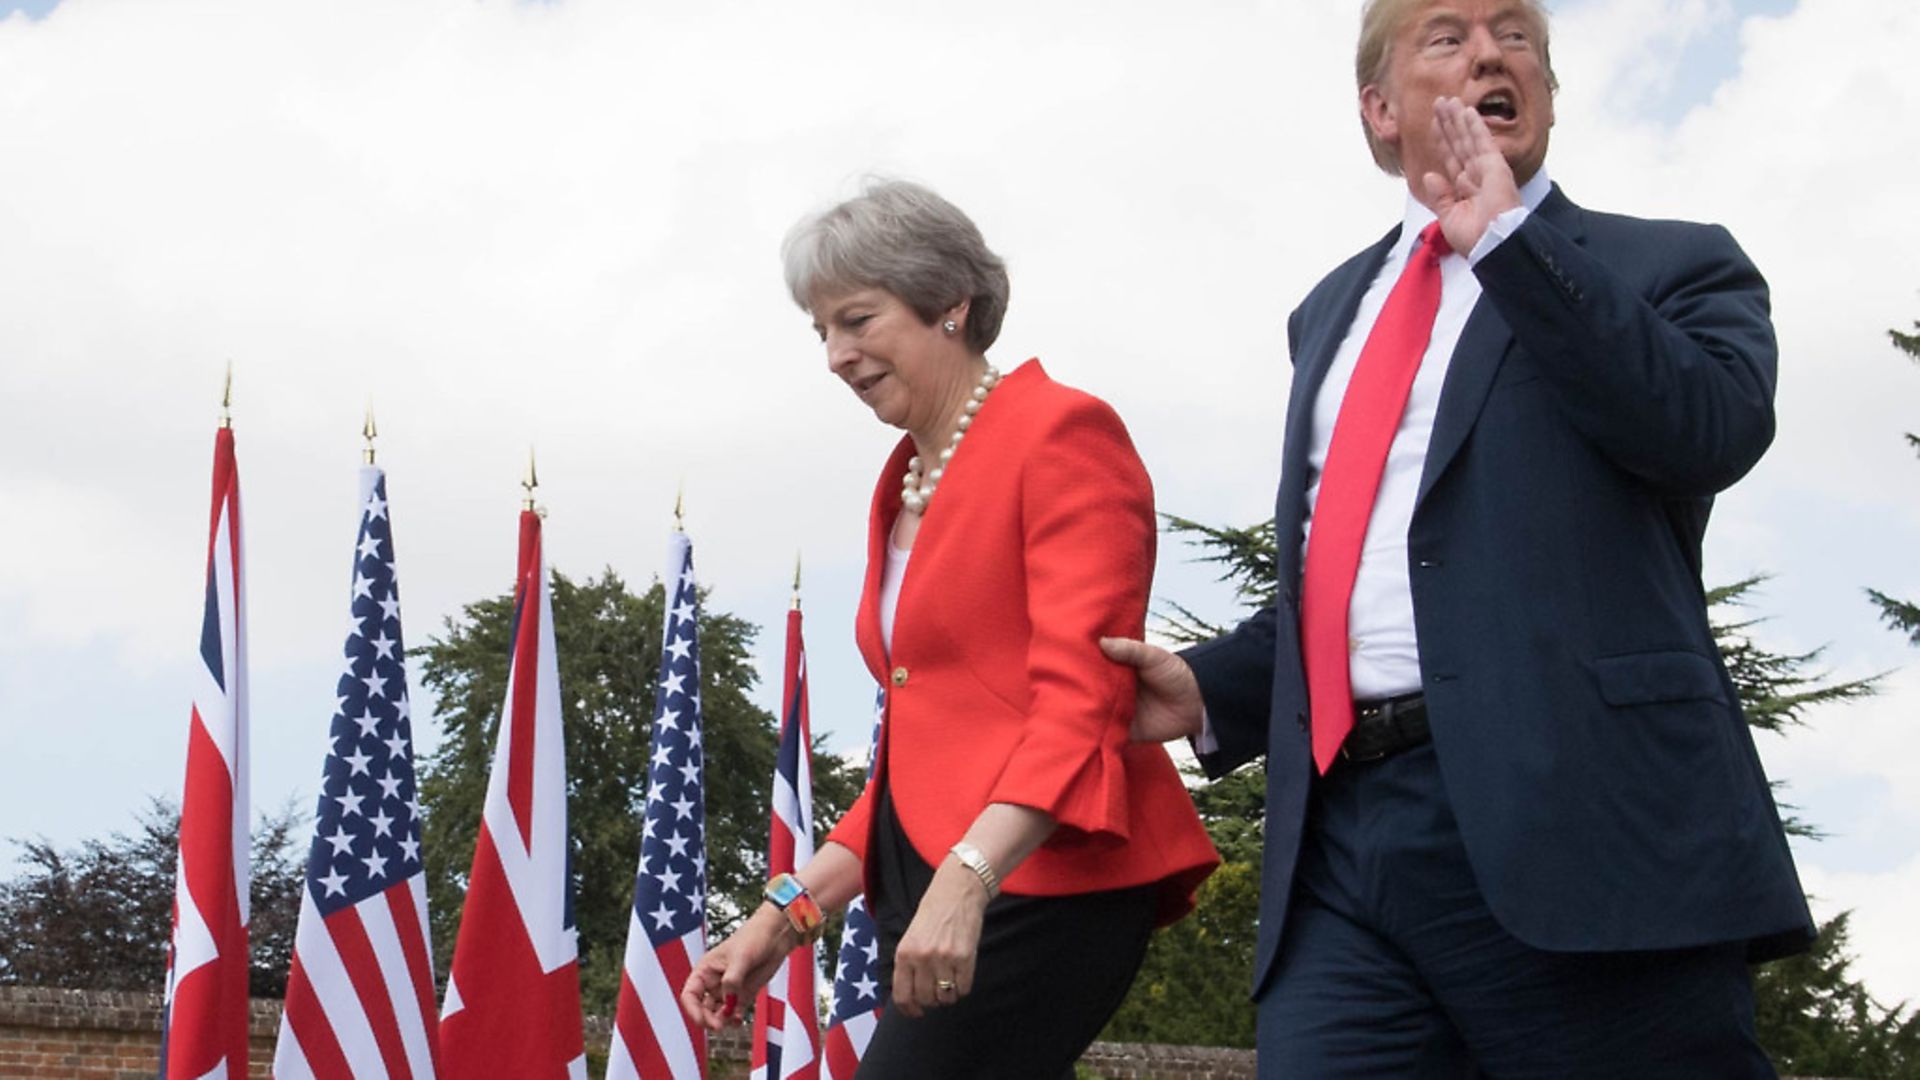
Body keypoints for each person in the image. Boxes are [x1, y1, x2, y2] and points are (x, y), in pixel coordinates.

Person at [1101, 1, 1814, 1075]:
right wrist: (1213, 689)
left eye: (1515, 34)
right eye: (1447, 35)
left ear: (1548, 95)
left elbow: (1703, 433)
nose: (1489, 51)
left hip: (1583, 825)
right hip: (1343, 852)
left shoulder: (1674, 266)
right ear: (1379, 110)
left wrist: (1513, 246)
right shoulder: (1330, 311)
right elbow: (1364, 559)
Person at [679, 179, 1217, 1078]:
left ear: (949, 307)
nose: (836, 356)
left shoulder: (1060, 433)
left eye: (857, 320)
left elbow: (1083, 700)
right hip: (933, 884)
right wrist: (779, 918)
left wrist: (970, 877)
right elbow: (915, 767)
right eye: (821, 332)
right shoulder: (903, 483)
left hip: (1044, 880)